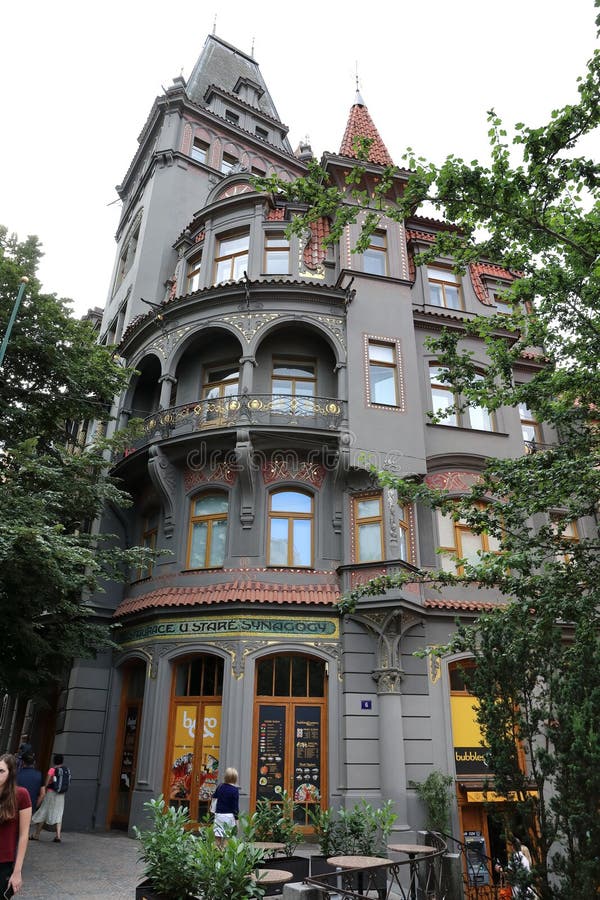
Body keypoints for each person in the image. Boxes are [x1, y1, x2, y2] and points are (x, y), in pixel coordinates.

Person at [0, 753, 32, 896]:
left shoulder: (21, 795)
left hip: (4, 862)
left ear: (11, 773)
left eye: (1, 771)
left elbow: (24, 835)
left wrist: (17, 871)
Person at [30, 754, 67, 843]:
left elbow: (46, 783)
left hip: (51, 793)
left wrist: (44, 790)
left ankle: (36, 835)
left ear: (54, 761)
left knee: (44, 810)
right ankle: (58, 836)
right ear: (62, 761)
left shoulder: (52, 770)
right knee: (59, 812)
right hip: (61, 794)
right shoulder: (65, 770)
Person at [212, 767, 239, 848]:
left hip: (219, 815)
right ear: (235, 778)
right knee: (227, 839)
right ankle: (224, 857)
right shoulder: (234, 790)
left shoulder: (220, 787)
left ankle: (215, 857)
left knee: (217, 839)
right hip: (229, 816)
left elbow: (214, 798)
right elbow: (235, 806)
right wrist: (237, 820)